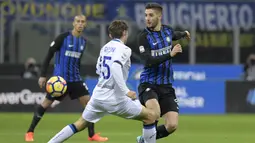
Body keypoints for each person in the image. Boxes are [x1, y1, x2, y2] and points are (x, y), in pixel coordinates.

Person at [47, 20, 160, 143]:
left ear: (110, 35)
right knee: (150, 116)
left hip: (98, 95)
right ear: (125, 33)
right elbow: (115, 67)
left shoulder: (105, 48)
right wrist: (126, 91)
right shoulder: (125, 49)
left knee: (80, 123)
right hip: (115, 98)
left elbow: (98, 69)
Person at [25, 15, 108, 142]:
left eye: (82, 22)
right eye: (78, 21)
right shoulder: (63, 38)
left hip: (75, 79)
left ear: (85, 25)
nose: (80, 24)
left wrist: (80, 76)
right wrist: (43, 75)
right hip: (60, 81)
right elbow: (49, 55)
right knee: (46, 103)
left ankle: (91, 135)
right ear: (73, 23)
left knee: (90, 104)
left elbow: (77, 61)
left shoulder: (83, 42)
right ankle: (30, 132)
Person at [136, 3, 191, 143]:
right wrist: (170, 55)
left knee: (172, 125)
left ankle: (144, 139)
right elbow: (147, 60)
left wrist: (184, 33)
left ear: (159, 17)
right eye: (146, 15)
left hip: (166, 86)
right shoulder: (143, 36)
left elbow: (175, 34)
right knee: (154, 113)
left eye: (151, 15)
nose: (147, 18)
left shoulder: (167, 31)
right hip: (148, 84)